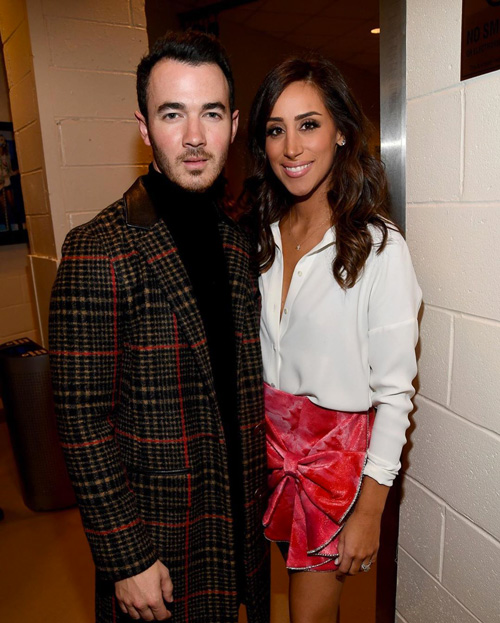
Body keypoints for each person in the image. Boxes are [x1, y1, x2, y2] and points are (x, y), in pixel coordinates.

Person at [49, 31, 269, 623]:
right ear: (145, 127)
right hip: (159, 544)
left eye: (211, 114)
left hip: (239, 530)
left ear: (232, 125)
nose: (194, 136)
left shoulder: (238, 243)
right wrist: (126, 556)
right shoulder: (97, 248)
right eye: (173, 114)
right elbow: (80, 420)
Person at [245, 55, 422, 623]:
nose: (291, 147)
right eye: (276, 130)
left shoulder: (379, 246)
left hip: (332, 472)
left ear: (341, 131)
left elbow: (395, 394)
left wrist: (371, 509)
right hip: (266, 458)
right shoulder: (260, 238)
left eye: (309, 124)